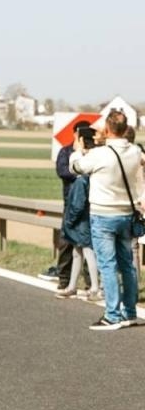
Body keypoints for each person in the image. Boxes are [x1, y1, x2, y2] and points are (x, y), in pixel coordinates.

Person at [68, 110, 145, 330]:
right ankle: (129, 312)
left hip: (103, 215)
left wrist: (78, 150)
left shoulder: (99, 154)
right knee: (127, 265)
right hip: (127, 214)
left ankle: (112, 315)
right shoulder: (135, 151)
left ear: (108, 129)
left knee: (107, 265)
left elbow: (76, 167)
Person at [56, 125, 99, 301]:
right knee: (77, 250)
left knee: (87, 250)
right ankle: (72, 285)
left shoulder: (82, 167)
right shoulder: (97, 158)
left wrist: (70, 219)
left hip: (82, 214)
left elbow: (78, 200)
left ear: (81, 140)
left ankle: (94, 287)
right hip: (85, 211)